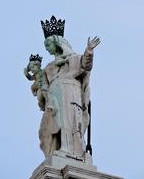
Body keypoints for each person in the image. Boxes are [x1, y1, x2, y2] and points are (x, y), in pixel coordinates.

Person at [40, 16, 100, 159]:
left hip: (70, 93)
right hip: (54, 98)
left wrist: (89, 51)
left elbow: (85, 64)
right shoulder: (49, 68)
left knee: (68, 121)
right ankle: (58, 147)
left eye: (48, 45)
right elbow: (44, 88)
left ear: (57, 43)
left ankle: (68, 149)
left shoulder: (73, 58)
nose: (47, 49)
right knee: (52, 126)